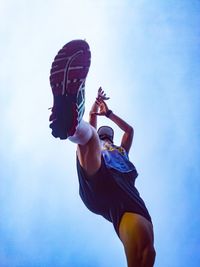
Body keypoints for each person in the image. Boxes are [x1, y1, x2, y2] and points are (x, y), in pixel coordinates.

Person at [49, 39, 156, 267]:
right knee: (89, 138)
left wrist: (109, 113)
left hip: (122, 194)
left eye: (108, 133)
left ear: (112, 136)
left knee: (146, 253)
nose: (107, 134)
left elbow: (129, 130)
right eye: (105, 132)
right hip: (96, 175)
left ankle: (72, 121)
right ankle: (71, 120)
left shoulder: (121, 150)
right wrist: (95, 112)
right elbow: (94, 128)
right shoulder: (99, 140)